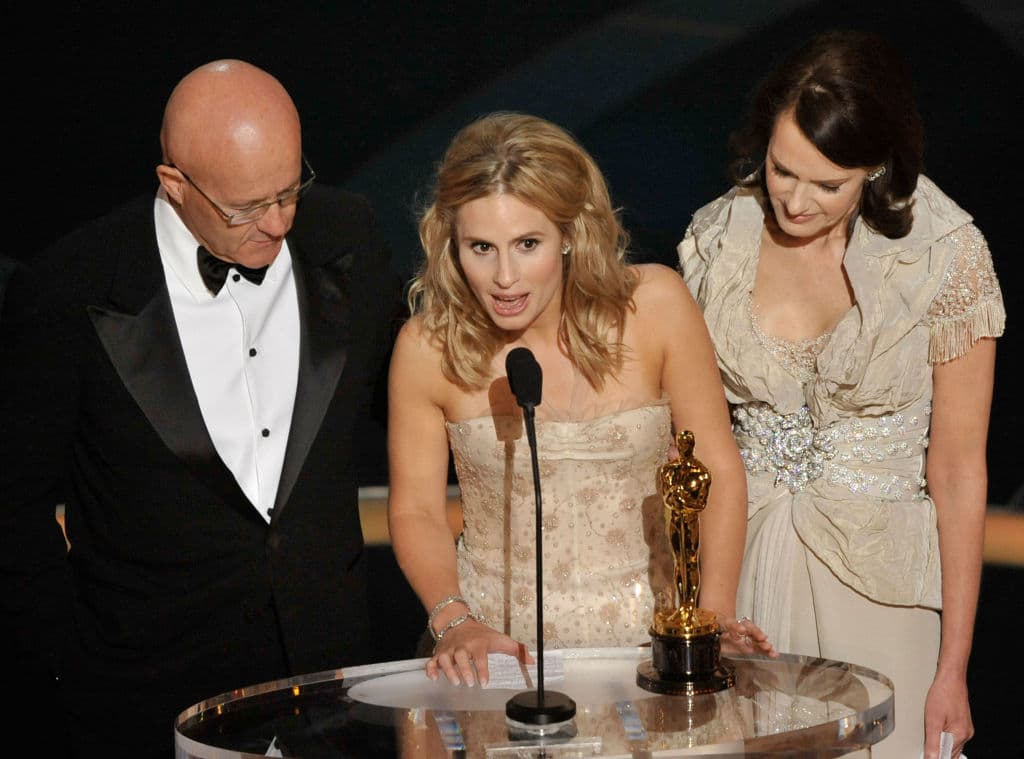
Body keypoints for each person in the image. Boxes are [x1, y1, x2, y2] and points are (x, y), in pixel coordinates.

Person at [0, 59, 397, 758]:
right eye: (247, 208)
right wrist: (64, 665)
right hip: (147, 700)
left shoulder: (348, 233)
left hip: (333, 691)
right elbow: (13, 503)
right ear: (174, 184)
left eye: (290, 189)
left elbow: (414, 405)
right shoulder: (69, 287)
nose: (279, 223)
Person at [677, 30, 1005, 759]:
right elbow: (686, 442)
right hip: (745, 582)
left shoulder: (944, 254)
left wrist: (954, 668)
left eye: (828, 184)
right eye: (782, 170)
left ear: (878, 168)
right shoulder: (718, 238)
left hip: (882, 588)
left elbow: (958, 469)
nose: (794, 201)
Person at [386, 111, 775, 689]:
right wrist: (453, 620)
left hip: (652, 655)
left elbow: (714, 466)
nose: (504, 277)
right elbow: (416, 509)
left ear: (570, 234)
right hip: (495, 657)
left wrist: (706, 621)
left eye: (527, 243)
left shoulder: (657, 306)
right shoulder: (428, 347)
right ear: (451, 243)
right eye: (481, 247)